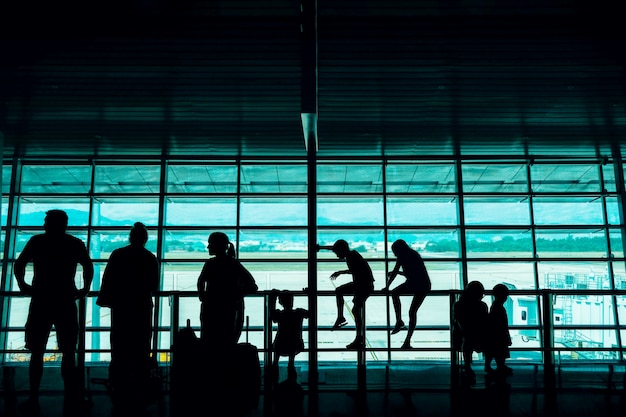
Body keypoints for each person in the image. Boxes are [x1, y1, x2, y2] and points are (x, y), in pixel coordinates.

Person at [14, 209, 94, 412]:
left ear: (48, 224)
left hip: (41, 298)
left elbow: (19, 264)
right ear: (65, 224)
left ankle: (33, 396)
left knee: (37, 350)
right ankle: (70, 396)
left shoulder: (37, 241)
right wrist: (84, 288)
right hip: (65, 298)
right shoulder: (74, 243)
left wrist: (23, 285)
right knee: (69, 351)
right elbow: (88, 265)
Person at [96, 222, 159, 408]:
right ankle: (139, 384)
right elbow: (153, 286)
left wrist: (108, 299)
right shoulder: (149, 257)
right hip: (141, 307)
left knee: (119, 345)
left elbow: (108, 279)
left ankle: (118, 383)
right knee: (141, 345)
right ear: (145, 239)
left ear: (130, 237)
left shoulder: (118, 255)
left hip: (122, 307)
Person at [197, 232, 258, 351]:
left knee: (210, 343)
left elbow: (201, 281)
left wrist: (202, 295)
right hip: (229, 309)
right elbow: (251, 283)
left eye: (210, 244)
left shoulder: (210, 264)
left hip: (212, 309)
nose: (208, 247)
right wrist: (236, 295)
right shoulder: (233, 263)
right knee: (227, 343)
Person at [317, 239, 374, 349]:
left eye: (337, 253)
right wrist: (321, 248)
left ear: (342, 250)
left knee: (356, 311)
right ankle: (341, 318)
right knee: (340, 292)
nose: (337, 255)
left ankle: (359, 338)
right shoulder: (351, 254)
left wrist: (340, 272)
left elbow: (354, 271)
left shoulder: (352, 257)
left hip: (363, 286)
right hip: (361, 284)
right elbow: (334, 248)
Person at [383, 239, 431, 349]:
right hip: (422, 284)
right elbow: (413, 272)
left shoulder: (402, 256)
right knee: (412, 312)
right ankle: (407, 340)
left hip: (415, 284)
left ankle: (399, 321)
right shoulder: (413, 254)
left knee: (395, 294)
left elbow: (396, 272)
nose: (394, 254)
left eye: (394, 251)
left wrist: (387, 287)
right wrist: (398, 274)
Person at [269, 289, 309, 384]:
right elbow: (311, 313)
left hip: (280, 344)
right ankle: (291, 382)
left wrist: (272, 298)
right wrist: (309, 295)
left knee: (275, 362)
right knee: (291, 363)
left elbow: (272, 315)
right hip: (295, 344)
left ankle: (273, 382)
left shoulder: (280, 314)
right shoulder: (298, 313)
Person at [452, 280, 488, 379]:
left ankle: (467, 366)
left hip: (464, 334)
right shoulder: (482, 306)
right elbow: (484, 322)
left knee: (468, 340)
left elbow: (460, 323)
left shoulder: (459, 305)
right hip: (473, 334)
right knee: (469, 339)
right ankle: (487, 365)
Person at [484, 283, 513, 377]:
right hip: (499, 334)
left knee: (494, 351)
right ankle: (500, 366)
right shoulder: (499, 308)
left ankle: (495, 366)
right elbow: (501, 324)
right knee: (499, 351)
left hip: (494, 334)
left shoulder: (495, 307)